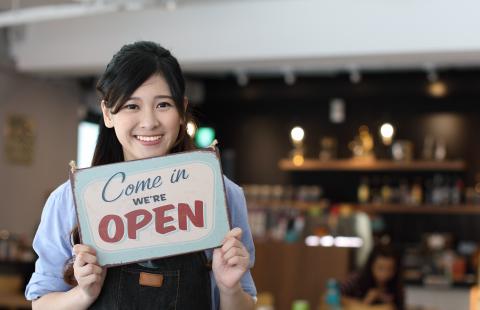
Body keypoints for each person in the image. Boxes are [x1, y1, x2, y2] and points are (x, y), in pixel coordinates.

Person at [25, 41, 257, 310]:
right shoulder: (69, 200)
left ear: (182, 110)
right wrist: (83, 294)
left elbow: (246, 302)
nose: (149, 122)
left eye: (163, 105)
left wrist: (230, 289)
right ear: (107, 114)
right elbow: (41, 304)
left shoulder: (222, 194)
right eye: (132, 106)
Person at [340, 245, 404, 310]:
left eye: (390, 269)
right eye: (380, 268)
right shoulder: (356, 279)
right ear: (371, 266)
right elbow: (335, 295)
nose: (384, 274)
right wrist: (368, 300)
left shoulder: (396, 285)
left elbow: (399, 306)